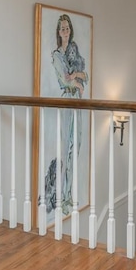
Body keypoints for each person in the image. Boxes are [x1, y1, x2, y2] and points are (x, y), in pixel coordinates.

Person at [44, 13, 89, 216]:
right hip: (66, 101)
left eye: (67, 28)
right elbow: (65, 80)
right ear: (58, 31)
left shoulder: (75, 52)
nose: (65, 31)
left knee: (75, 148)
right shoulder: (56, 55)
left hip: (77, 102)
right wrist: (75, 80)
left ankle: (69, 195)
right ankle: (60, 195)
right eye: (62, 28)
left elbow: (83, 76)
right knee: (65, 148)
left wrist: (77, 77)